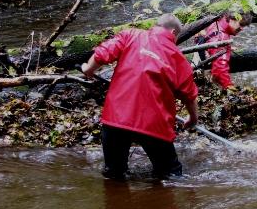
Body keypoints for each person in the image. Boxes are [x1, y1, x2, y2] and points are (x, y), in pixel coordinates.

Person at [81, 14, 198, 180]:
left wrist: (89, 68)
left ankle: (117, 203)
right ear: (173, 32)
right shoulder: (178, 58)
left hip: (116, 118)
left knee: (114, 174)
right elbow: (189, 95)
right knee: (171, 175)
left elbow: (103, 53)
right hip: (154, 124)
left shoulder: (130, 35)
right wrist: (193, 118)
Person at [195, 12, 252, 90]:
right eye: (241, 24)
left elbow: (210, 40)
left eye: (244, 26)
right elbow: (220, 67)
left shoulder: (218, 22)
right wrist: (228, 85)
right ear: (232, 19)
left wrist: (228, 47)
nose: (242, 28)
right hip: (203, 66)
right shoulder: (221, 38)